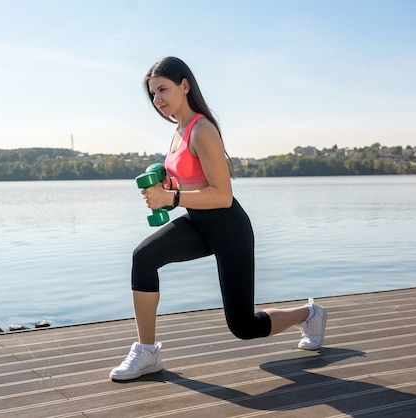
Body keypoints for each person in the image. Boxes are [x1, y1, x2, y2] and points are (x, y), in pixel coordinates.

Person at [109, 57, 327, 381]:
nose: (158, 100)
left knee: (244, 326)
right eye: (153, 94)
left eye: (163, 90)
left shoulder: (202, 130)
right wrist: (168, 187)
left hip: (228, 229)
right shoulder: (178, 132)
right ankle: (147, 352)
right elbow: (192, 181)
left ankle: (308, 314)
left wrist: (171, 197)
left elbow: (222, 196)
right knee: (143, 257)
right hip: (199, 224)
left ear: (185, 85)